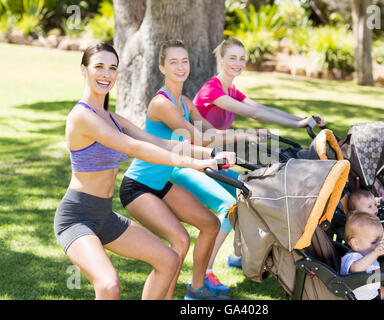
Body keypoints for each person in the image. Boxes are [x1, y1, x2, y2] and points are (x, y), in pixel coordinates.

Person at [54, 43, 222, 300]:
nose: (106, 74)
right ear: (83, 70)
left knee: (168, 260)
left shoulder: (113, 118)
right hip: (76, 217)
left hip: (104, 215)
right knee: (109, 285)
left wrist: (211, 155)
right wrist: (194, 164)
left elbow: (161, 142)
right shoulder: (81, 116)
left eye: (112, 68)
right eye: (99, 67)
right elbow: (134, 147)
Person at [177, 37, 327, 290]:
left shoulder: (230, 90)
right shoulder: (211, 91)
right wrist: (299, 124)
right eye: (232, 58)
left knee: (242, 199)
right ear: (220, 59)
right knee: (230, 205)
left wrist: (301, 120)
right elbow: (255, 114)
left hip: (212, 157)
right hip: (194, 159)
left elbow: (260, 107)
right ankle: (205, 274)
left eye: (242, 58)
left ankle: (238, 255)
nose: (238, 63)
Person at [119, 40, 238, 300]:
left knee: (210, 224)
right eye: (173, 62)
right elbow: (195, 137)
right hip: (138, 186)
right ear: (162, 67)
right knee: (181, 240)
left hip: (162, 184)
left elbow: (210, 132)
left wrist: (245, 136)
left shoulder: (184, 101)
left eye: (184, 60)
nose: (180, 66)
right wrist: (215, 152)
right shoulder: (161, 104)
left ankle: (196, 289)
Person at [341, 212, 384, 300]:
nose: (379, 245)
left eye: (381, 241)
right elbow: (356, 269)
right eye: (374, 242)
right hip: (361, 298)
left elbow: (379, 266)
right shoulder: (352, 258)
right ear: (355, 243)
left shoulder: (368, 254)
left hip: (374, 292)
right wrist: (375, 253)